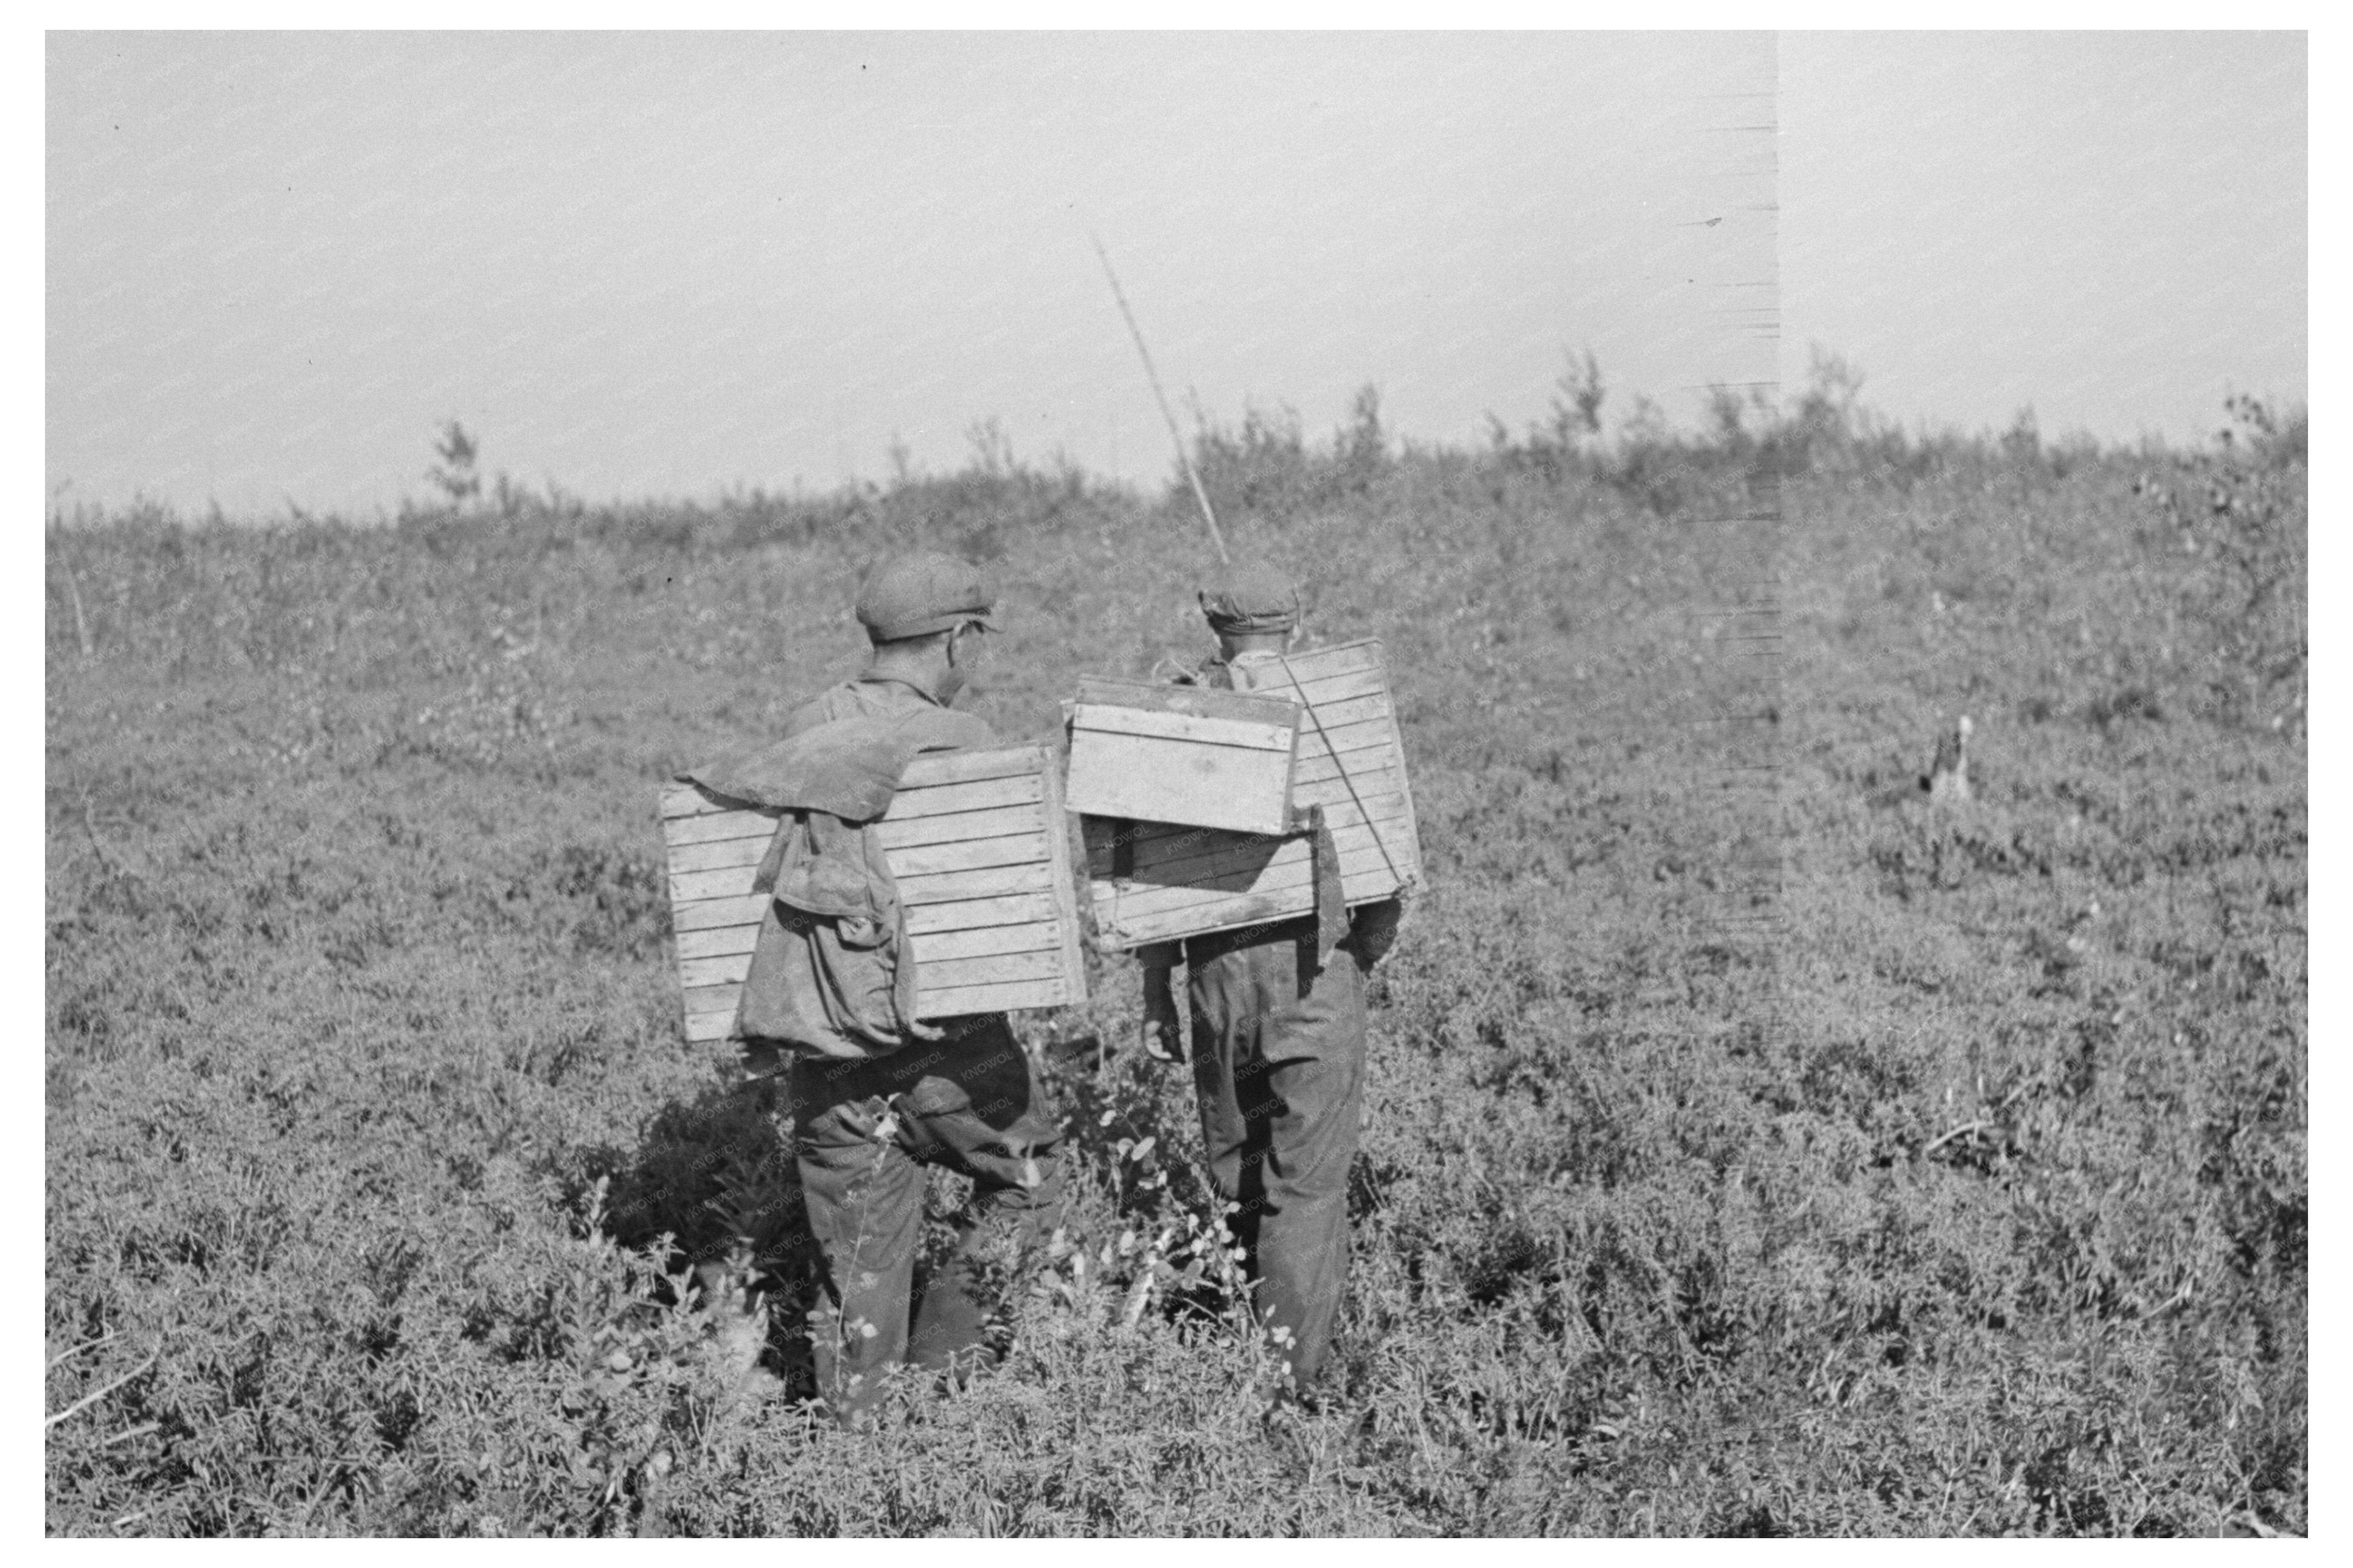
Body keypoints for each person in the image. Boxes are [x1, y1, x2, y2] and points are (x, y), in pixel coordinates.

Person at [738, 552, 1065, 1426]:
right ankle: (942, 1382)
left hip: (825, 1056)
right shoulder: (964, 742)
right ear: (955, 640)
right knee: (1033, 1174)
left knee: (858, 1272)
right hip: (945, 1054)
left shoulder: (802, 729)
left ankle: (861, 1452)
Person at [1136, 562, 1404, 1408]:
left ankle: (1240, 1349)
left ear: (1211, 622)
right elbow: (1387, 875)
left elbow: (1141, 870)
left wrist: (1156, 990)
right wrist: (1361, 951)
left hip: (1214, 975)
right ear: (1297, 618)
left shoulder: (1170, 713)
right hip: (1315, 966)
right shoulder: (1337, 706)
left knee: (1237, 1168)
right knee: (1307, 1188)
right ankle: (1285, 1392)